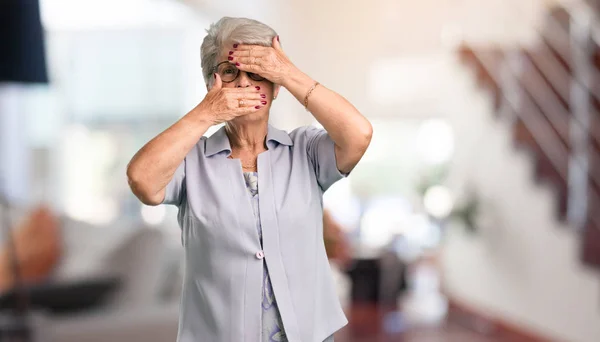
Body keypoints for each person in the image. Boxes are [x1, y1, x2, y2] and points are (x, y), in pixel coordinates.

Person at [127, 17, 372, 342]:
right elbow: (142, 180)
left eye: (258, 73)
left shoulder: (305, 150)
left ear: (274, 88)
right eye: (230, 72)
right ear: (212, 83)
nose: (244, 82)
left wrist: (287, 72)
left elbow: (359, 134)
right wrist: (207, 113)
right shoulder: (189, 161)